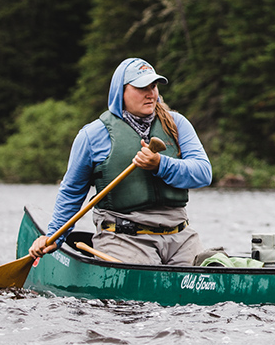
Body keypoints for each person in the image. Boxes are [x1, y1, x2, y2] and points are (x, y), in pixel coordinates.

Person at [29, 58, 212, 265]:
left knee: (205, 278)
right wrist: (55, 235)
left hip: (179, 235)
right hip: (123, 237)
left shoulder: (177, 124)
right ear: (120, 92)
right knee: (142, 296)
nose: (151, 93)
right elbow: (72, 190)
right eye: (142, 87)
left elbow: (203, 173)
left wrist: (160, 164)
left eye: (153, 86)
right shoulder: (92, 136)